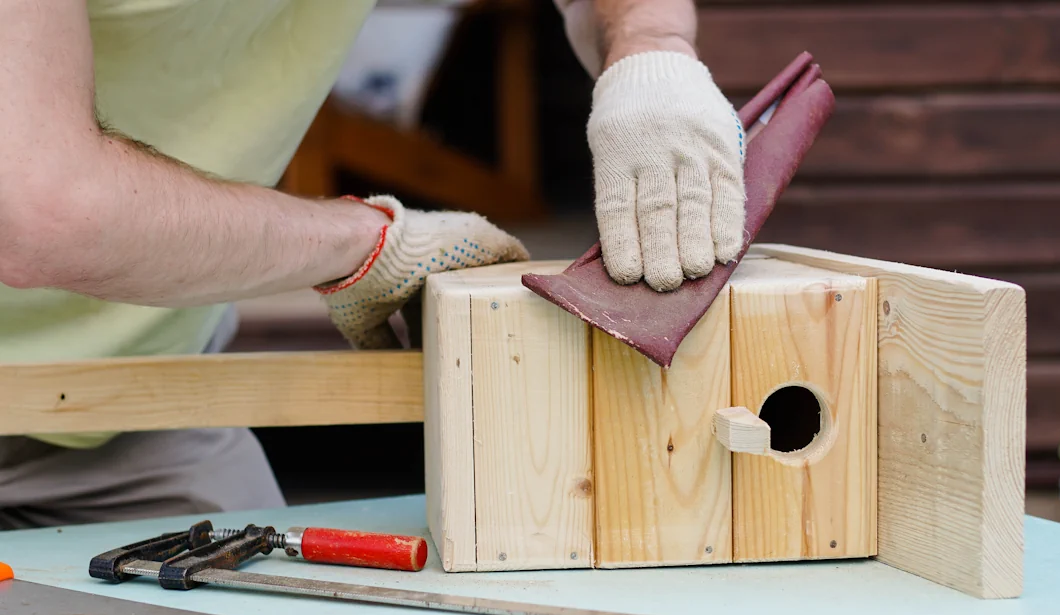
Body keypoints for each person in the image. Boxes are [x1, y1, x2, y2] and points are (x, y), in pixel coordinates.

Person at [0, 0, 746, 529]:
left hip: (133, 403)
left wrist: (650, 53)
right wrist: (365, 244)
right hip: (46, 355)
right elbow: (41, 208)